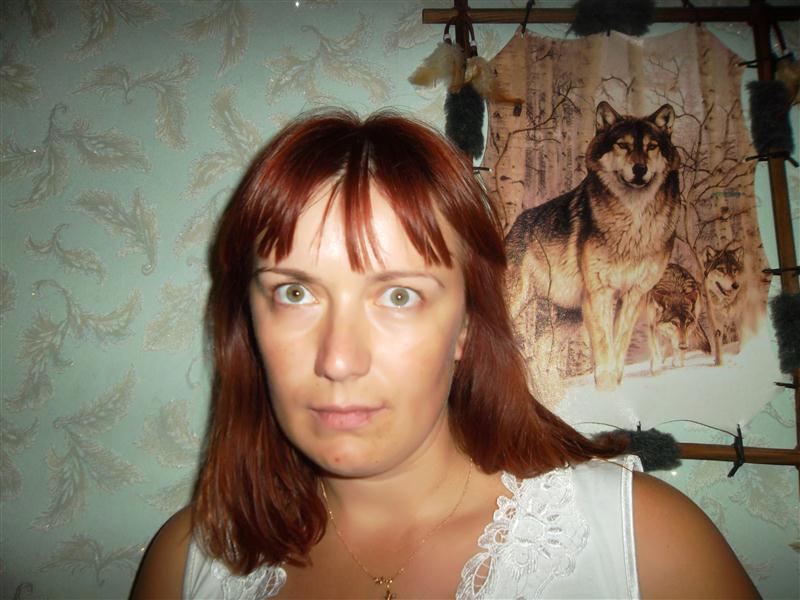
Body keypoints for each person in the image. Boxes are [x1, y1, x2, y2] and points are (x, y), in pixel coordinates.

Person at [131, 110, 758, 599]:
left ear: (465, 325)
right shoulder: (187, 565)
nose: (339, 361)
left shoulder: (650, 549)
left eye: (399, 295)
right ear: (248, 320)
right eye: (294, 293)